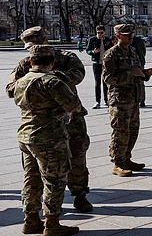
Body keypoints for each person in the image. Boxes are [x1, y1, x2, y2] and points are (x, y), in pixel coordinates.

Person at [6, 27, 93, 213]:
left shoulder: (66, 57)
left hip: (71, 117)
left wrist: (60, 76)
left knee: (77, 154)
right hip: (43, 121)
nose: (31, 50)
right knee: (38, 167)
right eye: (29, 47)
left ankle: (80, 194)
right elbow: (10, 88)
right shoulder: (26, 63)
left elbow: (79, 74)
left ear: (45, 41)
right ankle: (41, 208)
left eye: (35, 45)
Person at [14, 45, 84, 236]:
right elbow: (73, 105)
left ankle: (30, 220)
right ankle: (52, 224)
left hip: (26, 136)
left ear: (31, 62)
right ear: (52, 62)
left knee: (31, 178)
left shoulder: (21, 81)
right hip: (50, 138)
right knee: (54, 180)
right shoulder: (52, 82)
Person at [103, 24, 152, 177]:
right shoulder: (111, 54)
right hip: (120, 101)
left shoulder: (132, 51)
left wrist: (144, 74)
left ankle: (126, 158)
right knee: (120, 132)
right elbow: (108, 78)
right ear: (117, 36)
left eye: (132, 34)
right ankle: (117, 163)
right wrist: (131, 74)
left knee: (132, 131)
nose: (130, 37)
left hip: (134, 98)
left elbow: (136, 71)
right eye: (126, 35)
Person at [86, 25, 113, 108]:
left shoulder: (107, 40)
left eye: (101, 33)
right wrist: (93, 52)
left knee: (106, 82)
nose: (100, 34)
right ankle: (97, 101)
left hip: (106, 64)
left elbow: (111, 50)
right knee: (97, 82)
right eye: (98, 33)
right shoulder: (92, 40)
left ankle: (106, 100)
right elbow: (87, 50)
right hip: (96, 63)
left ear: (104, 32)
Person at [132, 34, 148, 107]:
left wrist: (140, 60)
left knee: (141, 82)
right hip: (128, 64)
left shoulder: (139, 41)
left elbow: (143, 51)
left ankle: (141, 100)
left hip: (139, 63)